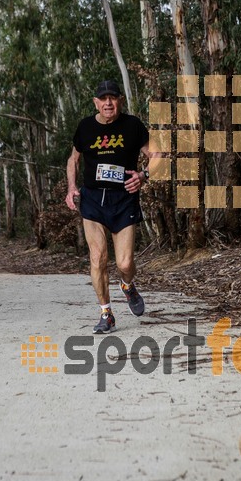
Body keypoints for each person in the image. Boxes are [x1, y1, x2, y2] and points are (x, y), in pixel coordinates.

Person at [66, 80, 152, 334]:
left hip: (123, 198)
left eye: (112, 98)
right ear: (96, 102)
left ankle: (127, 285)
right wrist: (71, 188)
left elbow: (157, 155)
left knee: (125, 264)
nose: (108, 103)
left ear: (120, 101)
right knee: (98, 257)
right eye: (102, 99)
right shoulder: (85, 127)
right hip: (92, 199)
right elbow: (73, 159)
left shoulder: (133, 125)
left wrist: (144, 175)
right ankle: (106, 313)